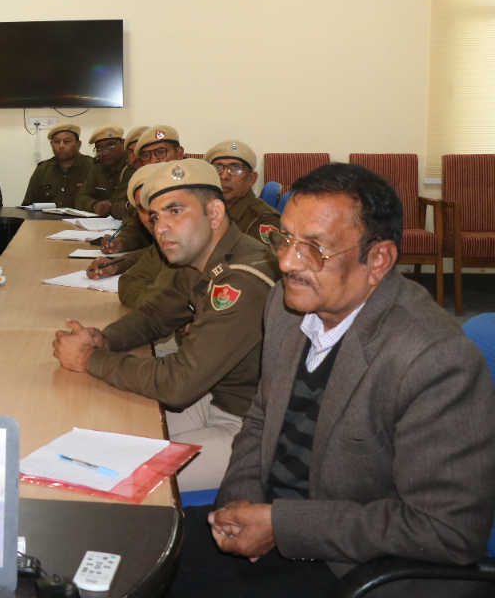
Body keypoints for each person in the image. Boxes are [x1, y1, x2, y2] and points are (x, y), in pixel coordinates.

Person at [171, 163, 495, 598]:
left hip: (357, 569)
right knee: (136, 545)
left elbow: (446, 530)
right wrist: (240, 502)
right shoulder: (288, 308)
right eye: (283, 238)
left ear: (377, 259)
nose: (286, 261)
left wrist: (281, 526)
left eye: (315, 249)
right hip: (274, 527)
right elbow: (261, 418)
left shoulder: (434, 359)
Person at [54, 159, 279, 492]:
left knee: (110, 477)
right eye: (156, 216)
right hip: (214, 400)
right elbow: (153, 316)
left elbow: (179, 383)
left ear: (214, 214)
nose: (160, 227)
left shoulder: (242, 278)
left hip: (254, 430)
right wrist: (103, 340)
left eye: (175, 212)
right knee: (95, 439)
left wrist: (90, 360)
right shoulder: (199, 258)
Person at [86, 164, 179, 309]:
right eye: (142, 207)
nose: (150, 216)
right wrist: (117, 264)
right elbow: (127, 283)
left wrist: (157, 299)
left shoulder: (191, 241)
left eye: (157, 204)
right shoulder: (165, 242)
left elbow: (168, 301)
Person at [95, 125, 187, 256]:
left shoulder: (193, 185)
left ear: (179, 153)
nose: (154, 160)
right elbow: (135, 225)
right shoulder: (146, 187)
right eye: (146, 155)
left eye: (161, 152)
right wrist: (121, 242)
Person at [205, 140, 282, 244]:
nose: (224, 176)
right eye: (218, 167)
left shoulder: (264, 220)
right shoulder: (203, 210)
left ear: (252, 178)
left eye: (235, 168)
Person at [22, 124, 95, 209]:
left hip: (82, 221)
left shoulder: (93, 167)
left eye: (67, 141)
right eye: (56, 142)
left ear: (78, 144)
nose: (61, 146)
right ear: (51, 144)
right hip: (48, 221)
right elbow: (28, 205)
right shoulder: (42, 170)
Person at [75, 125, 131, 217]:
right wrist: (94, 205)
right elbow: (80, 198)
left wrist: (105, 206)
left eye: (110, 145)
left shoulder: (131, 166)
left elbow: (118, 201)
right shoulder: (97, 167)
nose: (105, 152)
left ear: (122, 143)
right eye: (99, 148)